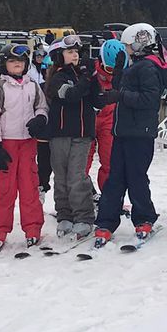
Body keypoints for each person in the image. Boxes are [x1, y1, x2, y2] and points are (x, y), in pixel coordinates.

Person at [93, 23, 167, 247]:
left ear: (140, 44)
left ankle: (144, 217)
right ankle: (106, 221)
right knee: (115, 178)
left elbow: (149, 100)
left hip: (139, 132)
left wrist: (120, 95)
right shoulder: (137, 65)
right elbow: (127, 87)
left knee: (136, 178)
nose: (126, 50)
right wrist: (119, 74)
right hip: (123, 130)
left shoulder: (148, 67)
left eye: (128, 46)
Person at [0, 43, 48, 250]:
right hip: (7, 144)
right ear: (5, 65)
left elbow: (42, 106)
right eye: (12, 62)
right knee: (6, 190)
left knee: (29, 187)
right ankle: (0, 229)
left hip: (28, 143)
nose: (16, 65)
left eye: (20, 62)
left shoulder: (33, 86)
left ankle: (32, 228)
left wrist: (40, 118)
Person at [45, 34, 104, 239]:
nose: (75, 55)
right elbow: (70, 96)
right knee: (60, 177)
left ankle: (84, 217)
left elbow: (97, 99)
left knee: (77, 177)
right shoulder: (57, 76)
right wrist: (86, 80)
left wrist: (96, 80)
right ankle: (64, 215)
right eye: (70, 52)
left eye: (77, 52)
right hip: (60, 133)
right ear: (60, 55)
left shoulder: (85, 75)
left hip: (82, 134)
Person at [85, 38, 124, 195]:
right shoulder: (90, 71)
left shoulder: (121, 74)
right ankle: (84, 196)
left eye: (114, 71)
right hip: (89, 119)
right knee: (83, 162)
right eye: (108, 70)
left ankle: (110, 197)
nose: (111, 75)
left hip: (108, 119)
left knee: (110, 161)